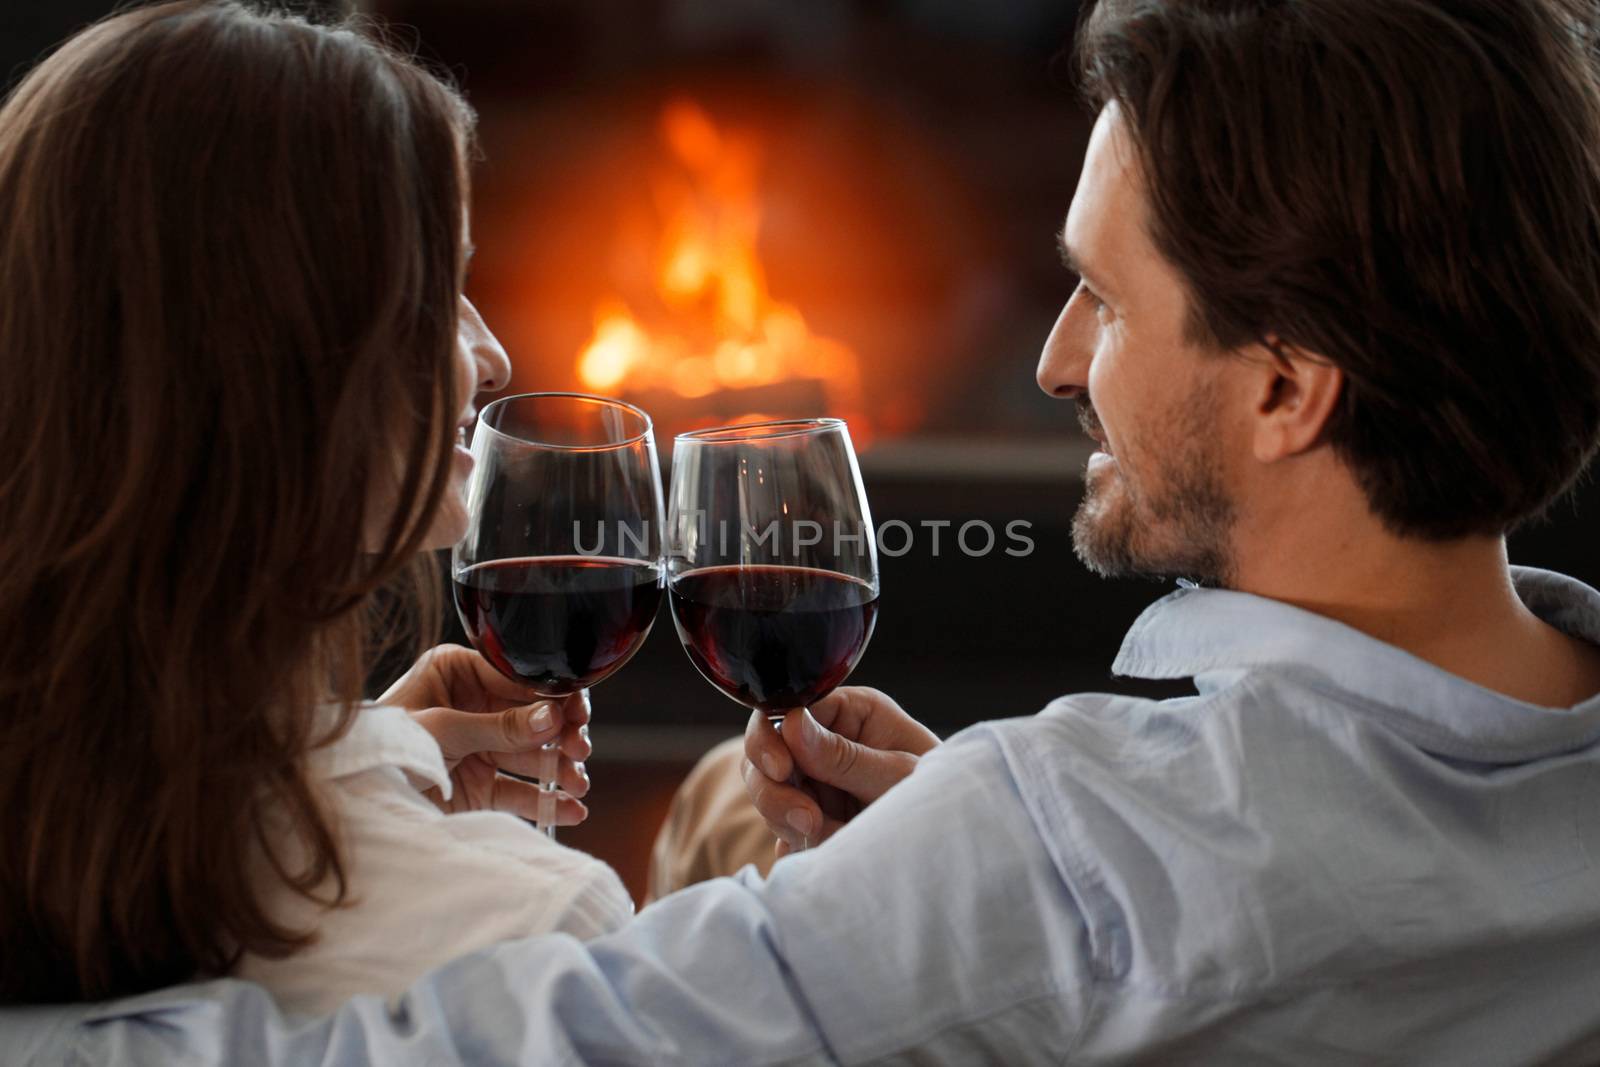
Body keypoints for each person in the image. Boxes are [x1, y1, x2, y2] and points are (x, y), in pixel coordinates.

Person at [8, 0, 1600, 1062]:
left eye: (1106, 301)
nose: (1050, 359)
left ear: (1285, 387)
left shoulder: (1065, 852)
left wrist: (967, 870)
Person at [0, 0, 633, 1017]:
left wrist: (350, 759)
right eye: (436, 289)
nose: (491, 356)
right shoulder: (524, 938)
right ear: (281, 369)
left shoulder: (68, 856)